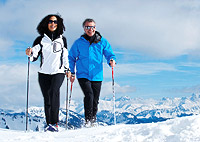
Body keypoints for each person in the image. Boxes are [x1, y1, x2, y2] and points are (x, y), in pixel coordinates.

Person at [25, 14, 71, 132]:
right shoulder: (40, 40)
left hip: (58, 72)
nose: (53, 24)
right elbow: (34, 54)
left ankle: (55, 123)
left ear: (58, 24)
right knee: (47, 98)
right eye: (50, 21)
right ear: (46, 23)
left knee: (54, 92)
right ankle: (49, 123)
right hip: (43, 73)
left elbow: (65, 56)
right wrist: (30, 53)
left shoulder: (62, 40)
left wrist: (67, 69)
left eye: (55, 22)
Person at [68, 18, 116, 126]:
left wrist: (112, 61)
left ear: (95, 28)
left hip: (97, 75)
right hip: (83, 74)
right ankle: (87, 120)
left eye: (93, 27)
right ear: (84, 29)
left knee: (95, 100)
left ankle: (93, 120)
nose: (91, 29)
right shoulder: (78, 43)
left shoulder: (102, 41)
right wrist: (72, 72)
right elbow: (71, 57)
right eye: (88, 27)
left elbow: (110, 54)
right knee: (89, 95)